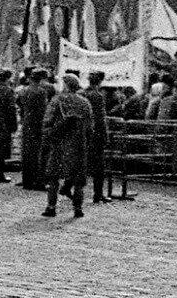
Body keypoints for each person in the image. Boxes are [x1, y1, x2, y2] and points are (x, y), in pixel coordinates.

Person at [42, 73, 94, 218]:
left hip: (59, 144)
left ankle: (51, 207)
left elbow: (48, 121)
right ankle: (78, 209)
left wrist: (48, 136)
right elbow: (90, 127)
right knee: (78, 180)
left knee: (54, 177)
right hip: (78, 144)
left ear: (65, 85)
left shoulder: (57, 100)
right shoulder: (84, 102)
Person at [17, 70, 54, 191]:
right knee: (38, 153)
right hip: (37, 123)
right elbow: (43, 109)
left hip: (27, 121)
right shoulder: (42, 92)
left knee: (26, 152)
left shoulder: (23, 90)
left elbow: (19, 103)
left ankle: (26, 181)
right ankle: (38, 181)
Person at [85, 70, 112, 203]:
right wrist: (105, 135)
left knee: (81, 163)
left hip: (84, 134)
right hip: (96, 135)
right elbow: (100, 118)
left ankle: (69, 186)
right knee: (99, 167)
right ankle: (98, 194)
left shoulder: (83, 94)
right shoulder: (98, 96)